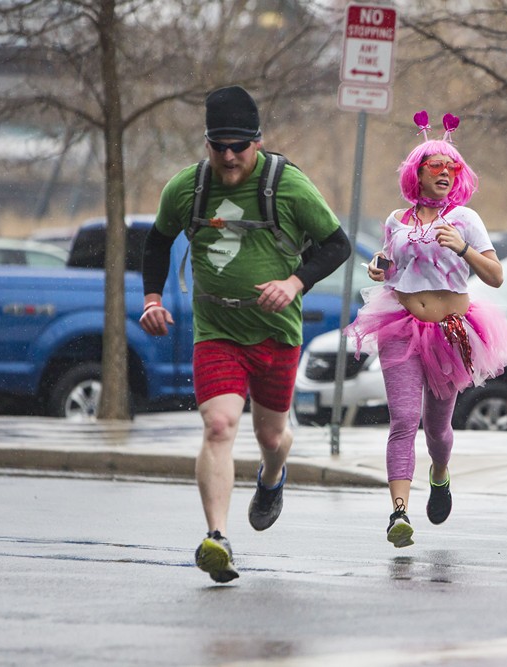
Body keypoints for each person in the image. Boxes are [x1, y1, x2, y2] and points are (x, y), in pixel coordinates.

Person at [140, 85, 351, 582]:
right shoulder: (187, 189)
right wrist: (152, 298)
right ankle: (217, 537)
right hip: (216, 328)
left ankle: (272, 477)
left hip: (276, 332)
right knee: (218, 426)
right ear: (207, 143)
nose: (230, 157)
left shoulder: (288, 186)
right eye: (219, 146)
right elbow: (156, 242)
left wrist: (294, 281)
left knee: (271, 435)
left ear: (257, 141)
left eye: (239, 146)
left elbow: (337, 245)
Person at [344, 111, 507, 548]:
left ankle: (439, 475)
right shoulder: (396, 219)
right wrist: (378, 268)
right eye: (434, 166)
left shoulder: (466, 219)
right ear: (416, 173)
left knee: (437, 427)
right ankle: (398, 513)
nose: (444, 173)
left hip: (451, 331)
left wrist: (464, 248)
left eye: (451, 167)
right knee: (403, 419)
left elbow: (495, 276)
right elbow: (390, 265)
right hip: (400, 326)